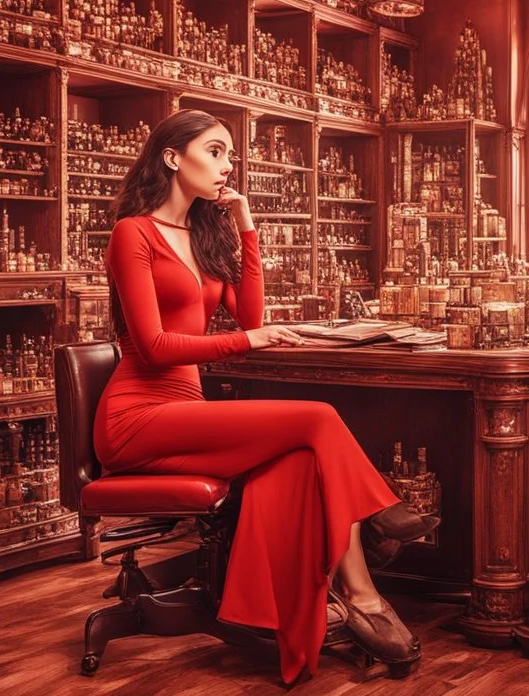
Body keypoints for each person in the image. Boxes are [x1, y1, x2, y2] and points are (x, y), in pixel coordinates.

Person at [93, 109, 438, 686]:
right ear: (173, 158)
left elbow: (249, 313)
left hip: (187, 410)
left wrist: (245, 224)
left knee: (301, 461)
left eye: (231, 155)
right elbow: (154, 347)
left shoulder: (203, 233)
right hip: (139, 415)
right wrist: (246, 340)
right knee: (319, 418)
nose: (227, 165)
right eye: (215, 151)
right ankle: (376, 515)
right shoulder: (134, 233)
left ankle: (357, 595)